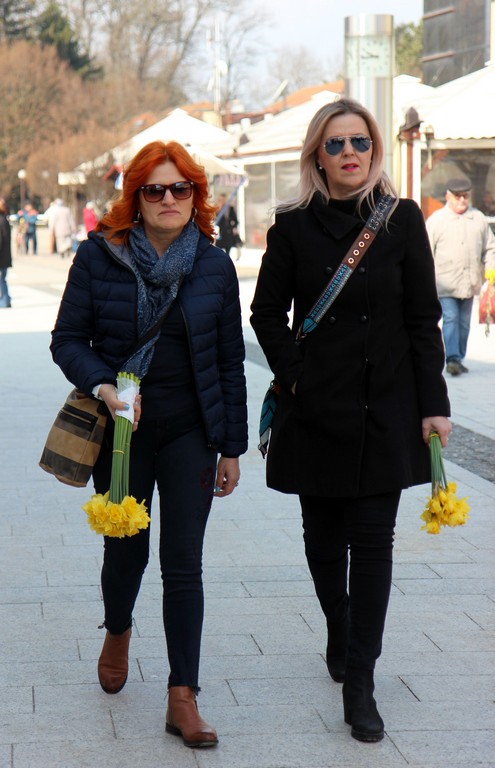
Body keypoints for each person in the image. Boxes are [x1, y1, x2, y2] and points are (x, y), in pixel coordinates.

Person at [250, 97, 451, 743]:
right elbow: (265, 315)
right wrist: (296, 376)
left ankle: (360, 680)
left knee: (371, 543)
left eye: (359, 142)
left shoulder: (402, 219)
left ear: (374, 149)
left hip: (384, 407)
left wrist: (434, 404)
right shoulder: (292, 226)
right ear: (317, 154)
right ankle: (339, 628)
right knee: (321, 538)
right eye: (334, 143)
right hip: (315, 409)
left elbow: (423, 320)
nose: (348, 153)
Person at [50, 140, 248, 748]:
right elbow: (67, 339)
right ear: (135, 197)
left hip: (190, 431)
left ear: (196, 196)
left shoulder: (213, 266)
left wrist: (232, 446)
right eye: (154, 189)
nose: (168, 199)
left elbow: (230, 361)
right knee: (125, 553)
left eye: (179, 188)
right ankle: (118, 628)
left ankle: (182, 695)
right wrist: (105, 386)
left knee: (183, 562)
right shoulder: (98, 256)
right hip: (122, 433)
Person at [426, 177, 495, 375]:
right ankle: (453, 359)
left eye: (465, 196)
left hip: (470, 282)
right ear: (448, 196)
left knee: (464, 324)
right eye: (458, 196)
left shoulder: (478, 218)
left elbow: (490, 247)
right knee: (451, 318)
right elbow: (425, 251)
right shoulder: (437, 220)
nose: (462, 200)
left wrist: (491, 269)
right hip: (444, 283)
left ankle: (459, 357)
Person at [216, 193, 241, 259]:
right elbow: (215, 220)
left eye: (223, 199)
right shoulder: (217, 209)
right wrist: (218, 210)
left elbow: (236, 221)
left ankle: (226, 262)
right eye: (220, 200)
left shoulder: (230, 208)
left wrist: (233, 227)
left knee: (227, 252)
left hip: (228, 233)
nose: (221, 201)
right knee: (218, 251)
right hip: (220, 234)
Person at [0, 197, 12, 308]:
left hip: (2, 256)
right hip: (5, 256)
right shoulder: (5, 219)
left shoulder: (2, 220)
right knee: (2, 279)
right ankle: (5, 298)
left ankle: (5, 299)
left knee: (2, 279)